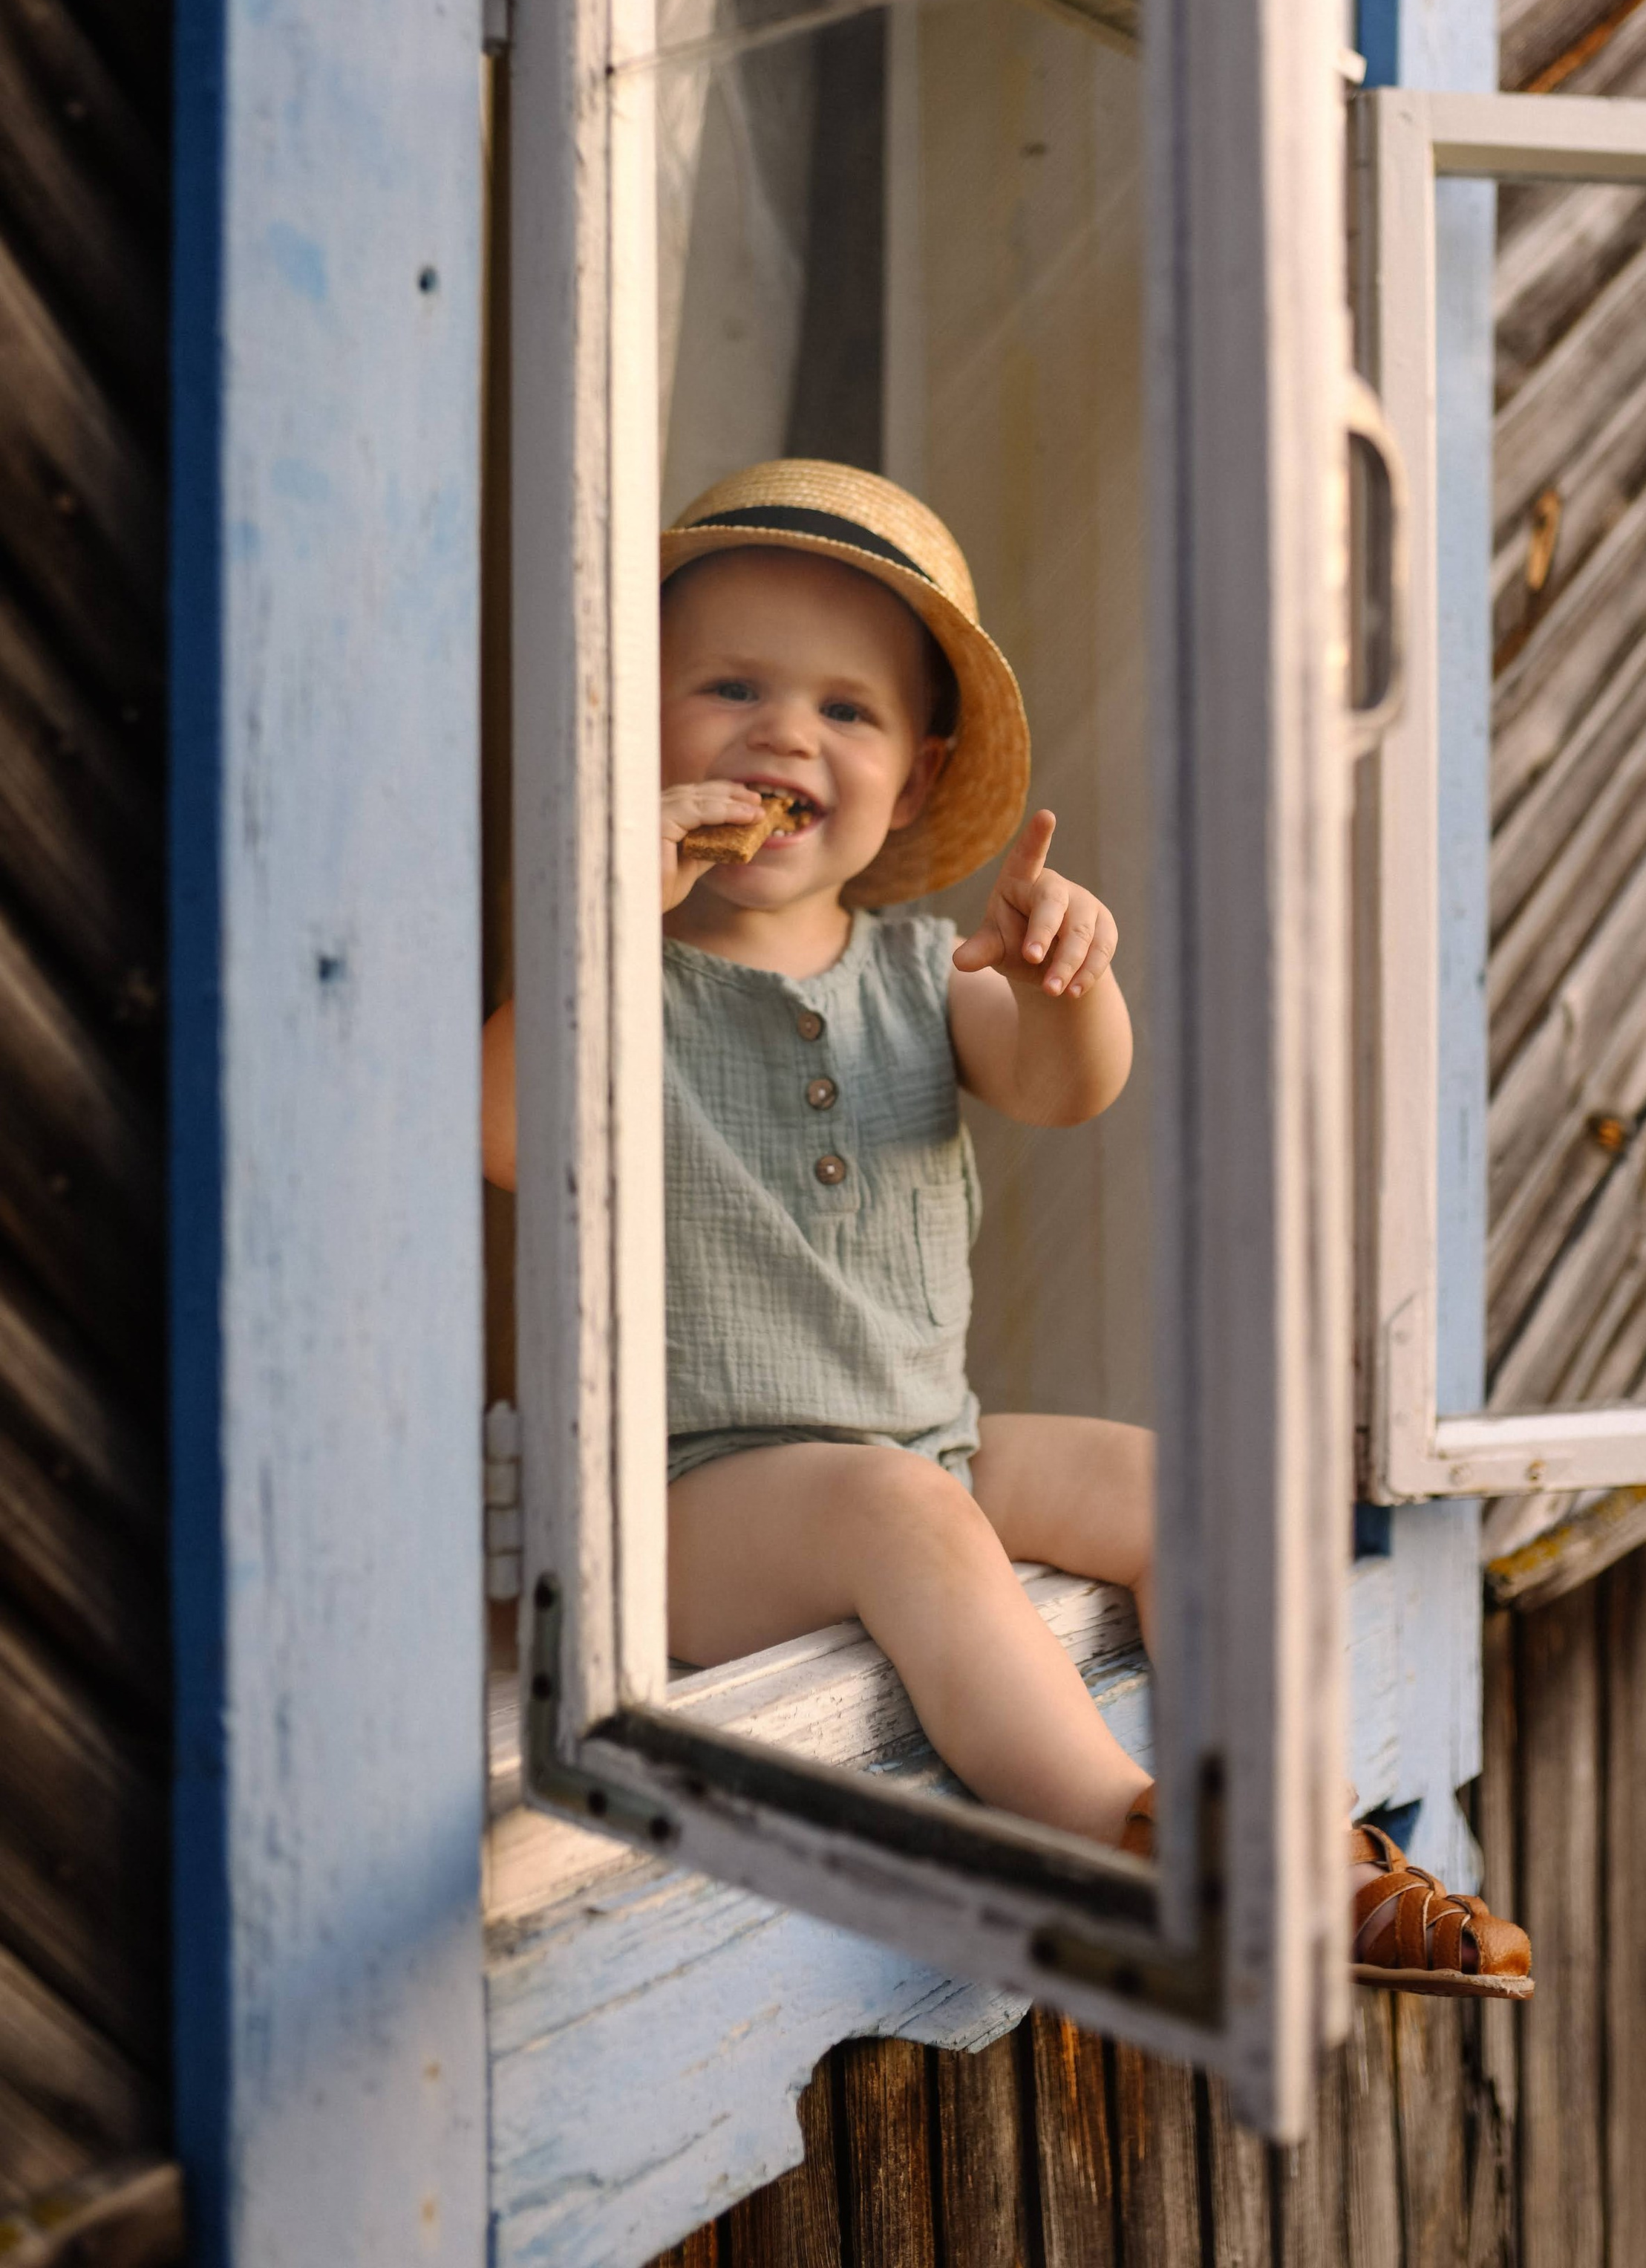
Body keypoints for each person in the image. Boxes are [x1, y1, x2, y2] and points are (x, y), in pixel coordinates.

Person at [484, 459, 1531, 1993]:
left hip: (925, 1440)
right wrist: (602, 905)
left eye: (847, 711)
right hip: (685, 1503)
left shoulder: (918, 974)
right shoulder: (616, 979)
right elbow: (499, 1125)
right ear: (637, 727)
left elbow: (1063, 1086)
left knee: (1171, 1487)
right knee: (898, 1514)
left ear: (911, 782)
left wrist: (1065, 980)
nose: (784, 736)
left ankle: (1290, 1836)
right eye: (728, 688)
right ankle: (1127, 1841)